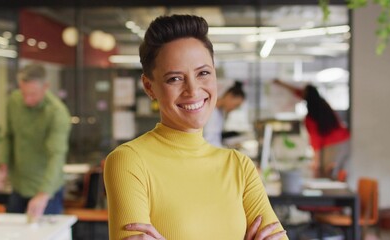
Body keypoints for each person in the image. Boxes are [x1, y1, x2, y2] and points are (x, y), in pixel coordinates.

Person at [103, 15, 287, 240]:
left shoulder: (239, 166)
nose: (193, 89)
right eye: (174, 79)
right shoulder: (129, 161)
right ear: (149, 87)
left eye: (203, 73)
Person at [0, 63, 72, 222]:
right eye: (24, 93)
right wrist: (3, 164)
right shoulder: (14, 101)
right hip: (19, 186)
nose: (27, 99)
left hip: (46, 190)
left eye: (32, 94)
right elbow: (8, 136)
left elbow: (56, 156)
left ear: (46, 86)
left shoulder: (57, 114)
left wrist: (43, 194)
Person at [273, 79, 350, 180]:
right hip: (345, 140)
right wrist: (282, 83)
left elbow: (315, 140)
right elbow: (298, 92)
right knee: (338, 173)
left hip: (332, 145)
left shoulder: (311, 118)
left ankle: (334, 195)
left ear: (307, 98)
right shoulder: (323, 104)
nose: (301, 94)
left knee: (328, 173)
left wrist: (316, 162)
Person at [203, 81, 246, 147]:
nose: (234, 108)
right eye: (235, 105)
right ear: (230, 96)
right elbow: (208, 139)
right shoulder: (209, 110)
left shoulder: (220, 112)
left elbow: (215, 138)